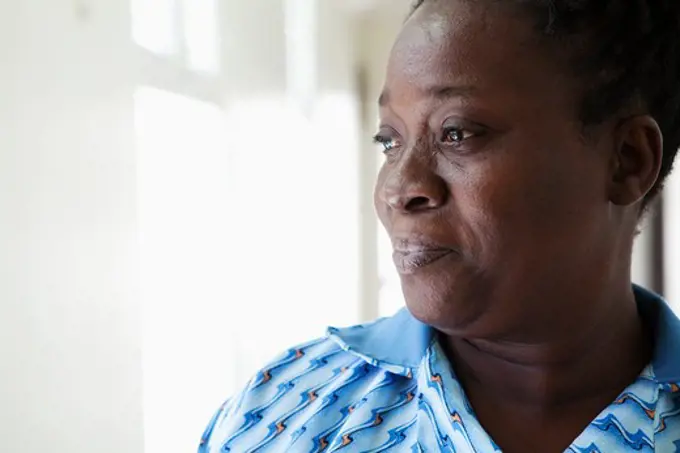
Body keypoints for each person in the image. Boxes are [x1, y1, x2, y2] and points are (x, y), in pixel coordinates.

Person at [199, 0, 680, 451]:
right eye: (389, 140)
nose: (398, 188)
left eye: (457, 133)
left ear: (627, 161)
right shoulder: (281, 417)